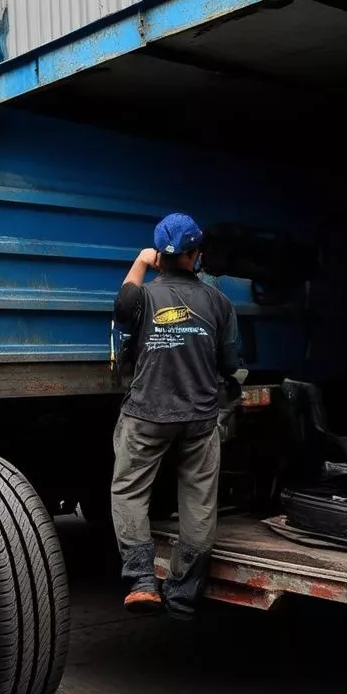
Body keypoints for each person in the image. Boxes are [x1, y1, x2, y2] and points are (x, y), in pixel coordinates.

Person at [111, 212, 240, 618]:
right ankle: (182, 594)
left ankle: (142, 582)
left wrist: (140, 260)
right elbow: (231, 362)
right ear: (195, 254)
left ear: (158, 256)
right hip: (200, 420)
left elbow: (122, 307)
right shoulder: (218, 301)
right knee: (199, 503)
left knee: (130, 491)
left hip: (147, 414)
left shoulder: (145, 297)